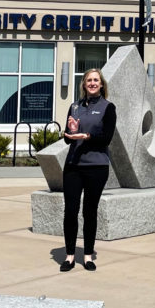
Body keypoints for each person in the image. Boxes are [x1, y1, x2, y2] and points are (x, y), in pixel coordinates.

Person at [60, 68, 116, 272]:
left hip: (97, 167)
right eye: (89, 80)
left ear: (101, 85)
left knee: (90, 212)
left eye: (96, 80)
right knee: (70, 211)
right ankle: (69, 256)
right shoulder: (74, 107)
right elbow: (67, 137)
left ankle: (88, 256)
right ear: (84, 84)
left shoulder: (108, 108)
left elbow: (107, 138)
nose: (92, 83)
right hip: (73, 166)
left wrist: (88, 137)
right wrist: (72, 133)